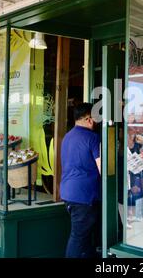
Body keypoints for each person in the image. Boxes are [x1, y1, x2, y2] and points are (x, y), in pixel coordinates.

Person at [60, 103, 101, 258]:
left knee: (84, 237)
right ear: (89, 119)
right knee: (78, 237)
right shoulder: (93, 137)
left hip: (68, 193)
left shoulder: (67, 137)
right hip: (84, 196)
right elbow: (102, 168)